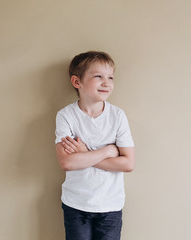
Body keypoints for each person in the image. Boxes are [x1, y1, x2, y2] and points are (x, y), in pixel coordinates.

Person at [54, 51, 135, 240]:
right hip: (76, 204)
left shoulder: (117, 116)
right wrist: (108, 150)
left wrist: (85, 154)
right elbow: (67, 163)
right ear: (77, 82)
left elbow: (128, 164)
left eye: (110, 77)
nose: (107, 83)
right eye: (98, 76)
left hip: (110, 206)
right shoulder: (66, 116)